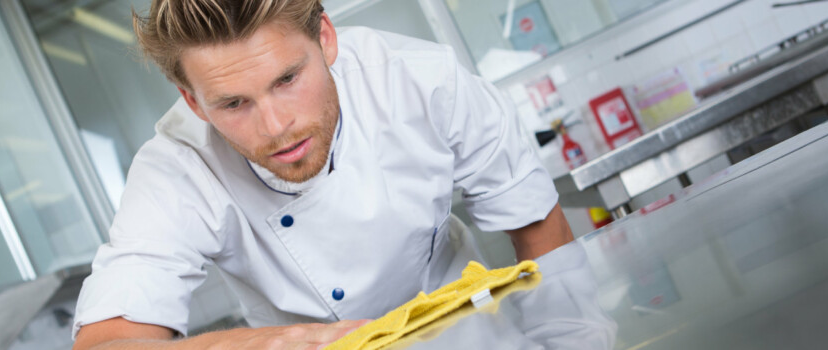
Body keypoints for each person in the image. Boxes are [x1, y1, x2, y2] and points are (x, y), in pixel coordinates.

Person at [72, 0, 576, 348]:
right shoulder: (178, 168)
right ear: (192, 101)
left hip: (479, 341)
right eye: (233, 103)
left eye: (288, 79)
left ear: (326, 38)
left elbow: (540, 234)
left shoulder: (422, 80)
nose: (276, 127)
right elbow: (104, 345)